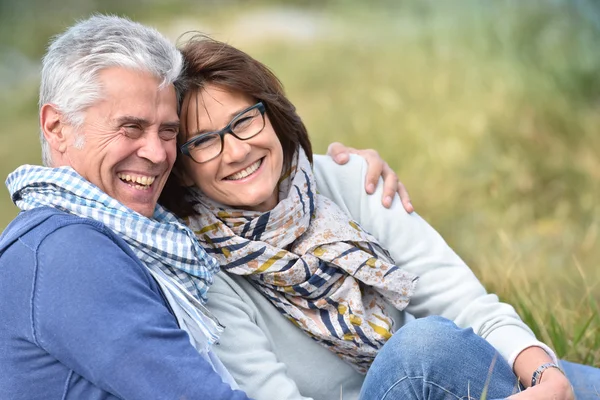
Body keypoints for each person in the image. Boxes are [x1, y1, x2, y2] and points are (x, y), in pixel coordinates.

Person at [160, 34, 600, 400]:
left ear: (271, 114)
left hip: (448, 377)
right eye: (204, 141)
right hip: (422, 370)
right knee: (422, 346)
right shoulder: (205, 270)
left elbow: (463, 302)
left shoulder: (350, 181)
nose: (236, 151)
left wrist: (544, 375)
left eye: (244, 121)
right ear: (182, 166)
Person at [0, 15, 403, 400]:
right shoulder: (65, 253)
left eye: (169, 132)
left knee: (424, 354)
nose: (158, 154)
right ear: (57, 127)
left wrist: (339, 173)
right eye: (131, 128)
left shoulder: (146, 238)